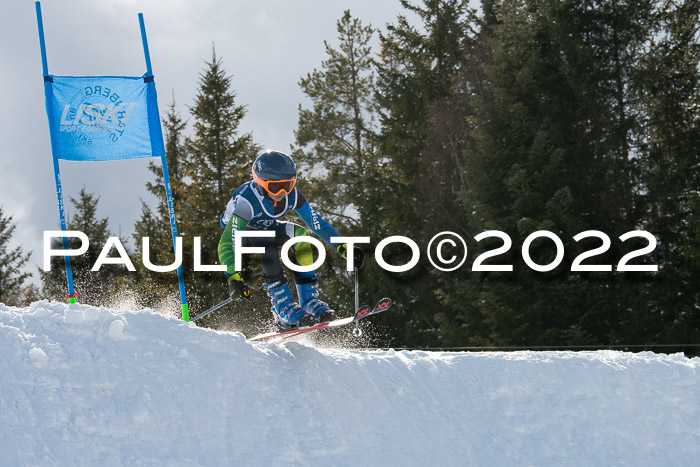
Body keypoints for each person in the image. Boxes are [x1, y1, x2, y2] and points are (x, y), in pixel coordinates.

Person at [218, 149, 365, 329]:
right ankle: (282, 307)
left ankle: (309, 301)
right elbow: (226, 242)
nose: (282, 192)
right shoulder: (247, 203)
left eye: (287, 185)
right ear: (260, 182)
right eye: (275, 187)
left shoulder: (292, 195)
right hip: (240, 234)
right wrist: (233, 277)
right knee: (266, 242)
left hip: (266, 227)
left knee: (301, 235)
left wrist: (344, 247)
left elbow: (317, 223)